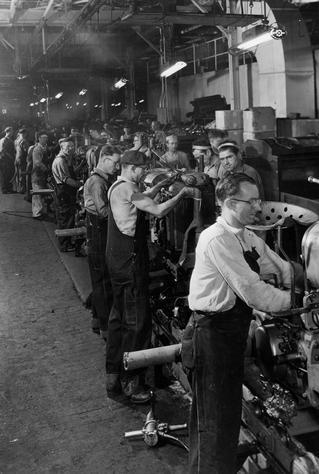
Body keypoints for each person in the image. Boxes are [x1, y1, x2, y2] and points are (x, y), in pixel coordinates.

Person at [185, 173, 295, 473]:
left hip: (230, 338)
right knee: (213, 426)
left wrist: (299, 281)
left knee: (227, 419)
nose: (259, 208)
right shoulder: (217, 239)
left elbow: (279, 266)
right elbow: (253, 290)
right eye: (252, 201)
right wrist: (295, 304)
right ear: (231, 203)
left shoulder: (246, 236)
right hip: (210, 338)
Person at [105, 150, 194, 403]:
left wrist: (164, 183)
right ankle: (132, 383)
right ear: (131, 167)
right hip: (130, 262)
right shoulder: (127, 189)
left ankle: (113, 374)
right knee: (137, 323)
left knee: (118, 319)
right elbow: (157, 210)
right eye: (142, 168)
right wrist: (181, 194)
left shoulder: (119, 187)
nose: (144, 172)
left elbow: (143, 199)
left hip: (117, 260)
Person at [83, 145, 121, 340]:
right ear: (104, 159)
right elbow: (103, 212)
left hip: (94, 233)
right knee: (104, 282)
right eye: (115, 162)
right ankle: (107, 330)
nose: (117, 167)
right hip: (99, 235)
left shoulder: (100, 180)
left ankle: (97, 320)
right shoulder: (98, 183)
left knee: (98, 281)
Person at [52, 139, 82, 251]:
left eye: (72, 146)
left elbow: (71, 172)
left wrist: (81, 165)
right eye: (68, 146)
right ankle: (65, 245)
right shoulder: (60, 161)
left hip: (67, 193)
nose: (71, 148)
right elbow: (67, 179)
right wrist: (79, 185)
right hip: (64, 193)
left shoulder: (65, 159)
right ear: (62, 147)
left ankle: (67, 242)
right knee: (66, 219)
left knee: (68, 218)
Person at [31, 132, 50, 219]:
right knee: (37, 193)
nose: (45, 139)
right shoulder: (37, 149)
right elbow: (38, 163)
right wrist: (47, 169)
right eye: (44, 138)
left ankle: (41, 211)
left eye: (46, 138)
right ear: (39, 138)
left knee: (41, 192)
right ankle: (37, 213)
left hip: (42, 175)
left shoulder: (44, 148)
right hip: (37, 174)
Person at [13, 128, 29, 194]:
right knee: (22, 174)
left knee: (18, 174)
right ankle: (22, 189)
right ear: (24, 133)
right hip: (22, 159)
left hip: (16, 158)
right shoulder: (24, 141)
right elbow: (26, 150)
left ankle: (18, 188)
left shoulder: (16, 140)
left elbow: (15, 150)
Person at [0, 126, 16, 193]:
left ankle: (9, 188)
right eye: (11, 131)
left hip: (10, 160)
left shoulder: (10, 140)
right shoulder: (3, 140)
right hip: (4, 160)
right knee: (5, 174)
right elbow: (2, 150)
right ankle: (4, 189)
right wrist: (10, 157)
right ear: (8, 132)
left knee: (10, 174)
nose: (12, 133)